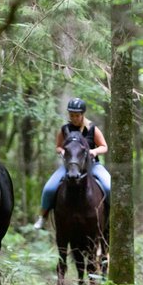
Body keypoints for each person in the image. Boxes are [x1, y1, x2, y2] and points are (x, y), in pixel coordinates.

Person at [33, 98, 111, 229]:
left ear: (83, 114)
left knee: (109, 187)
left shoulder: (92, 128)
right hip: (71, 166)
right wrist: (62, 151)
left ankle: (113, 217)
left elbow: (104, 146)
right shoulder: (65, 130)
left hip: (92, 166)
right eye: (71, 115)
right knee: (49, 188)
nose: (74, 118)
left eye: (77, 115)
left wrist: (94, 151)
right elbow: (58, 146)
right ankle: (43, 217)